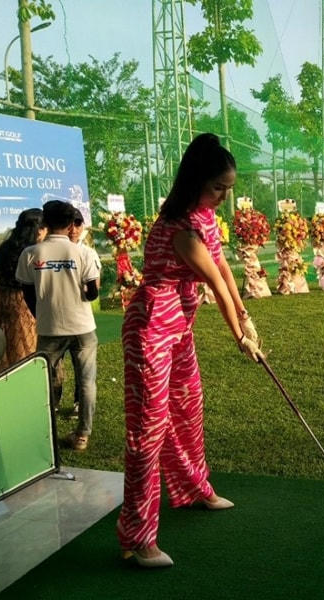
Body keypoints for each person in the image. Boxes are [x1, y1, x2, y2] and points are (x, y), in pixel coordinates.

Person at [117, 133, 264, 569]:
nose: (223, 197)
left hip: (180, 330)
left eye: (229, 189)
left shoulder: (204, 218)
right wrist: (239, 337)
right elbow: (213, 283)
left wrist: (247, 318)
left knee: (187, 410)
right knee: (147, 432)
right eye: (218, 187)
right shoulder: (180, 227)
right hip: (150, 331)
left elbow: (224, 269)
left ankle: (194, 488)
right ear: (197, 180)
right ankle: (138, 537)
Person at [16, 200, 100, 451]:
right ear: (71, 224)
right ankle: (83, 435)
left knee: (45, 380)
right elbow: (93, 292)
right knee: (87, 382)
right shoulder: (84, 253)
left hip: (49, 328)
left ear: (45, 222)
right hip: (83, 327)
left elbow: (27, 293)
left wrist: (42, 314)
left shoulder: (31, 253)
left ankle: (46, 431)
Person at [54, 208, 102, 416]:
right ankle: (52, 403)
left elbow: (94, 288)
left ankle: (78, 404)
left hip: (79, 319)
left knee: (82, 368)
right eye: (70, 224)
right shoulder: (52, 251)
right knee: (54, 367)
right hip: (54, 318)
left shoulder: (88, 253)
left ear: (82, 227)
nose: (73, 229)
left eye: (78, 224)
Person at [0, 208, 48, 371]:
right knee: (24, 349)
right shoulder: (33, 252)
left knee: (1, 347)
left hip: (0, 297)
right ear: (38, 229)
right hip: (22, 302)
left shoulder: (7, 247)